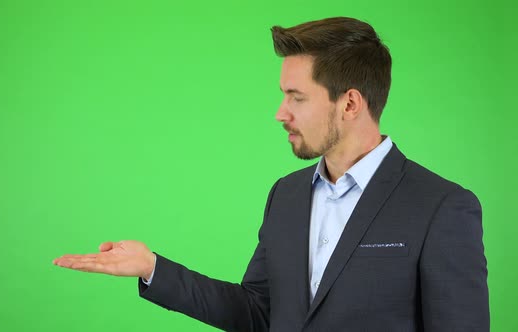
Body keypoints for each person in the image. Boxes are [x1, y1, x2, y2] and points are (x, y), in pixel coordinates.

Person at [53, 17, 489, 331]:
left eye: (296, 98)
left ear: (350, 104)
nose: (281, 113)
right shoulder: (288, 195)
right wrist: (152, 267)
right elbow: (257, 312)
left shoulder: (443, 207)